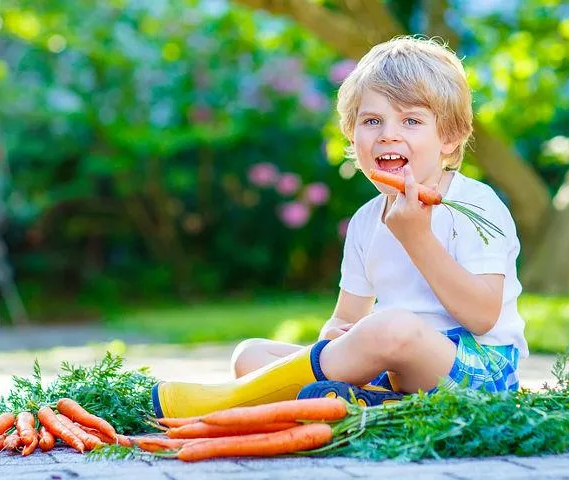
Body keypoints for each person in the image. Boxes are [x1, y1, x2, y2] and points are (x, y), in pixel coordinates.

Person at [151, 35, 528, 418]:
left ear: (450, 138)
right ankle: (380, 408)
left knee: (393, 326)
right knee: (251, 355)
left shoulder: (474, 204)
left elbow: (483, 316)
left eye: (411, 120)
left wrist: (418, 238)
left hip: (480, 373)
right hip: (394, 369)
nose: (388, 134)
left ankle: (226, 403)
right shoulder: (367, 220)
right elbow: (346, 319)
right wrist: (334, 335)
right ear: (352, 135)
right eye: (372, 121)